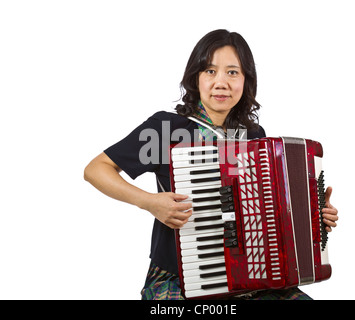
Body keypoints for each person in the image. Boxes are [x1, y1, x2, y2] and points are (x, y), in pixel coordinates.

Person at [84, 29, 339, 300]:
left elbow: (268, 212)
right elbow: (96, 169)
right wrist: (149, 202)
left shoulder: (253, 135)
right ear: (196, 78)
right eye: (210, 71)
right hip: (178, 276)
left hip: (253, 275)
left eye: (233, 72)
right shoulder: (166, 129)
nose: (221, 82)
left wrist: (312, 216)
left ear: (246, 81)